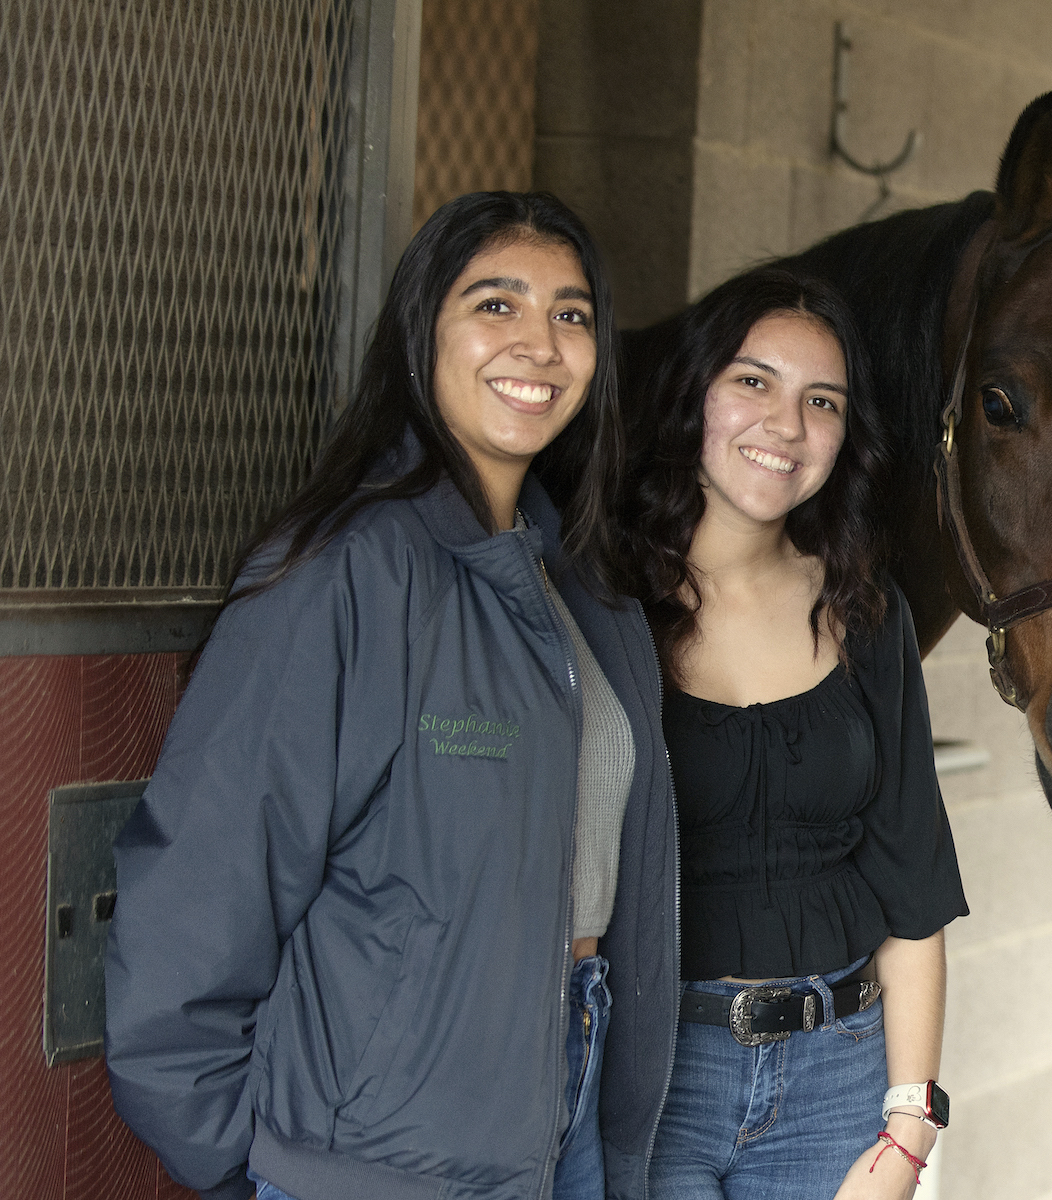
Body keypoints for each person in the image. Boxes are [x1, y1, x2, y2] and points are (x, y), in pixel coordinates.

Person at [105, 192, 680, 1200]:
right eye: (496, 306)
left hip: (566, 1117)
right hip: (380, 1162)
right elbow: (203, 879)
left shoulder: (584, 587)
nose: (539, 345)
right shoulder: (348, 572)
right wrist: (244, 1160)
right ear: (423, 331)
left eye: (572, 314)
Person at [621, 267, 967, 1199]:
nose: (785, 424)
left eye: (822, 401)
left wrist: (909, 1128)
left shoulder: (864, 610)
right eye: (752, 382)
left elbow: (913, 883)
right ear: (692, 392)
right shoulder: (609, 605)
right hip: (656, 1078)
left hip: (838, 1073)